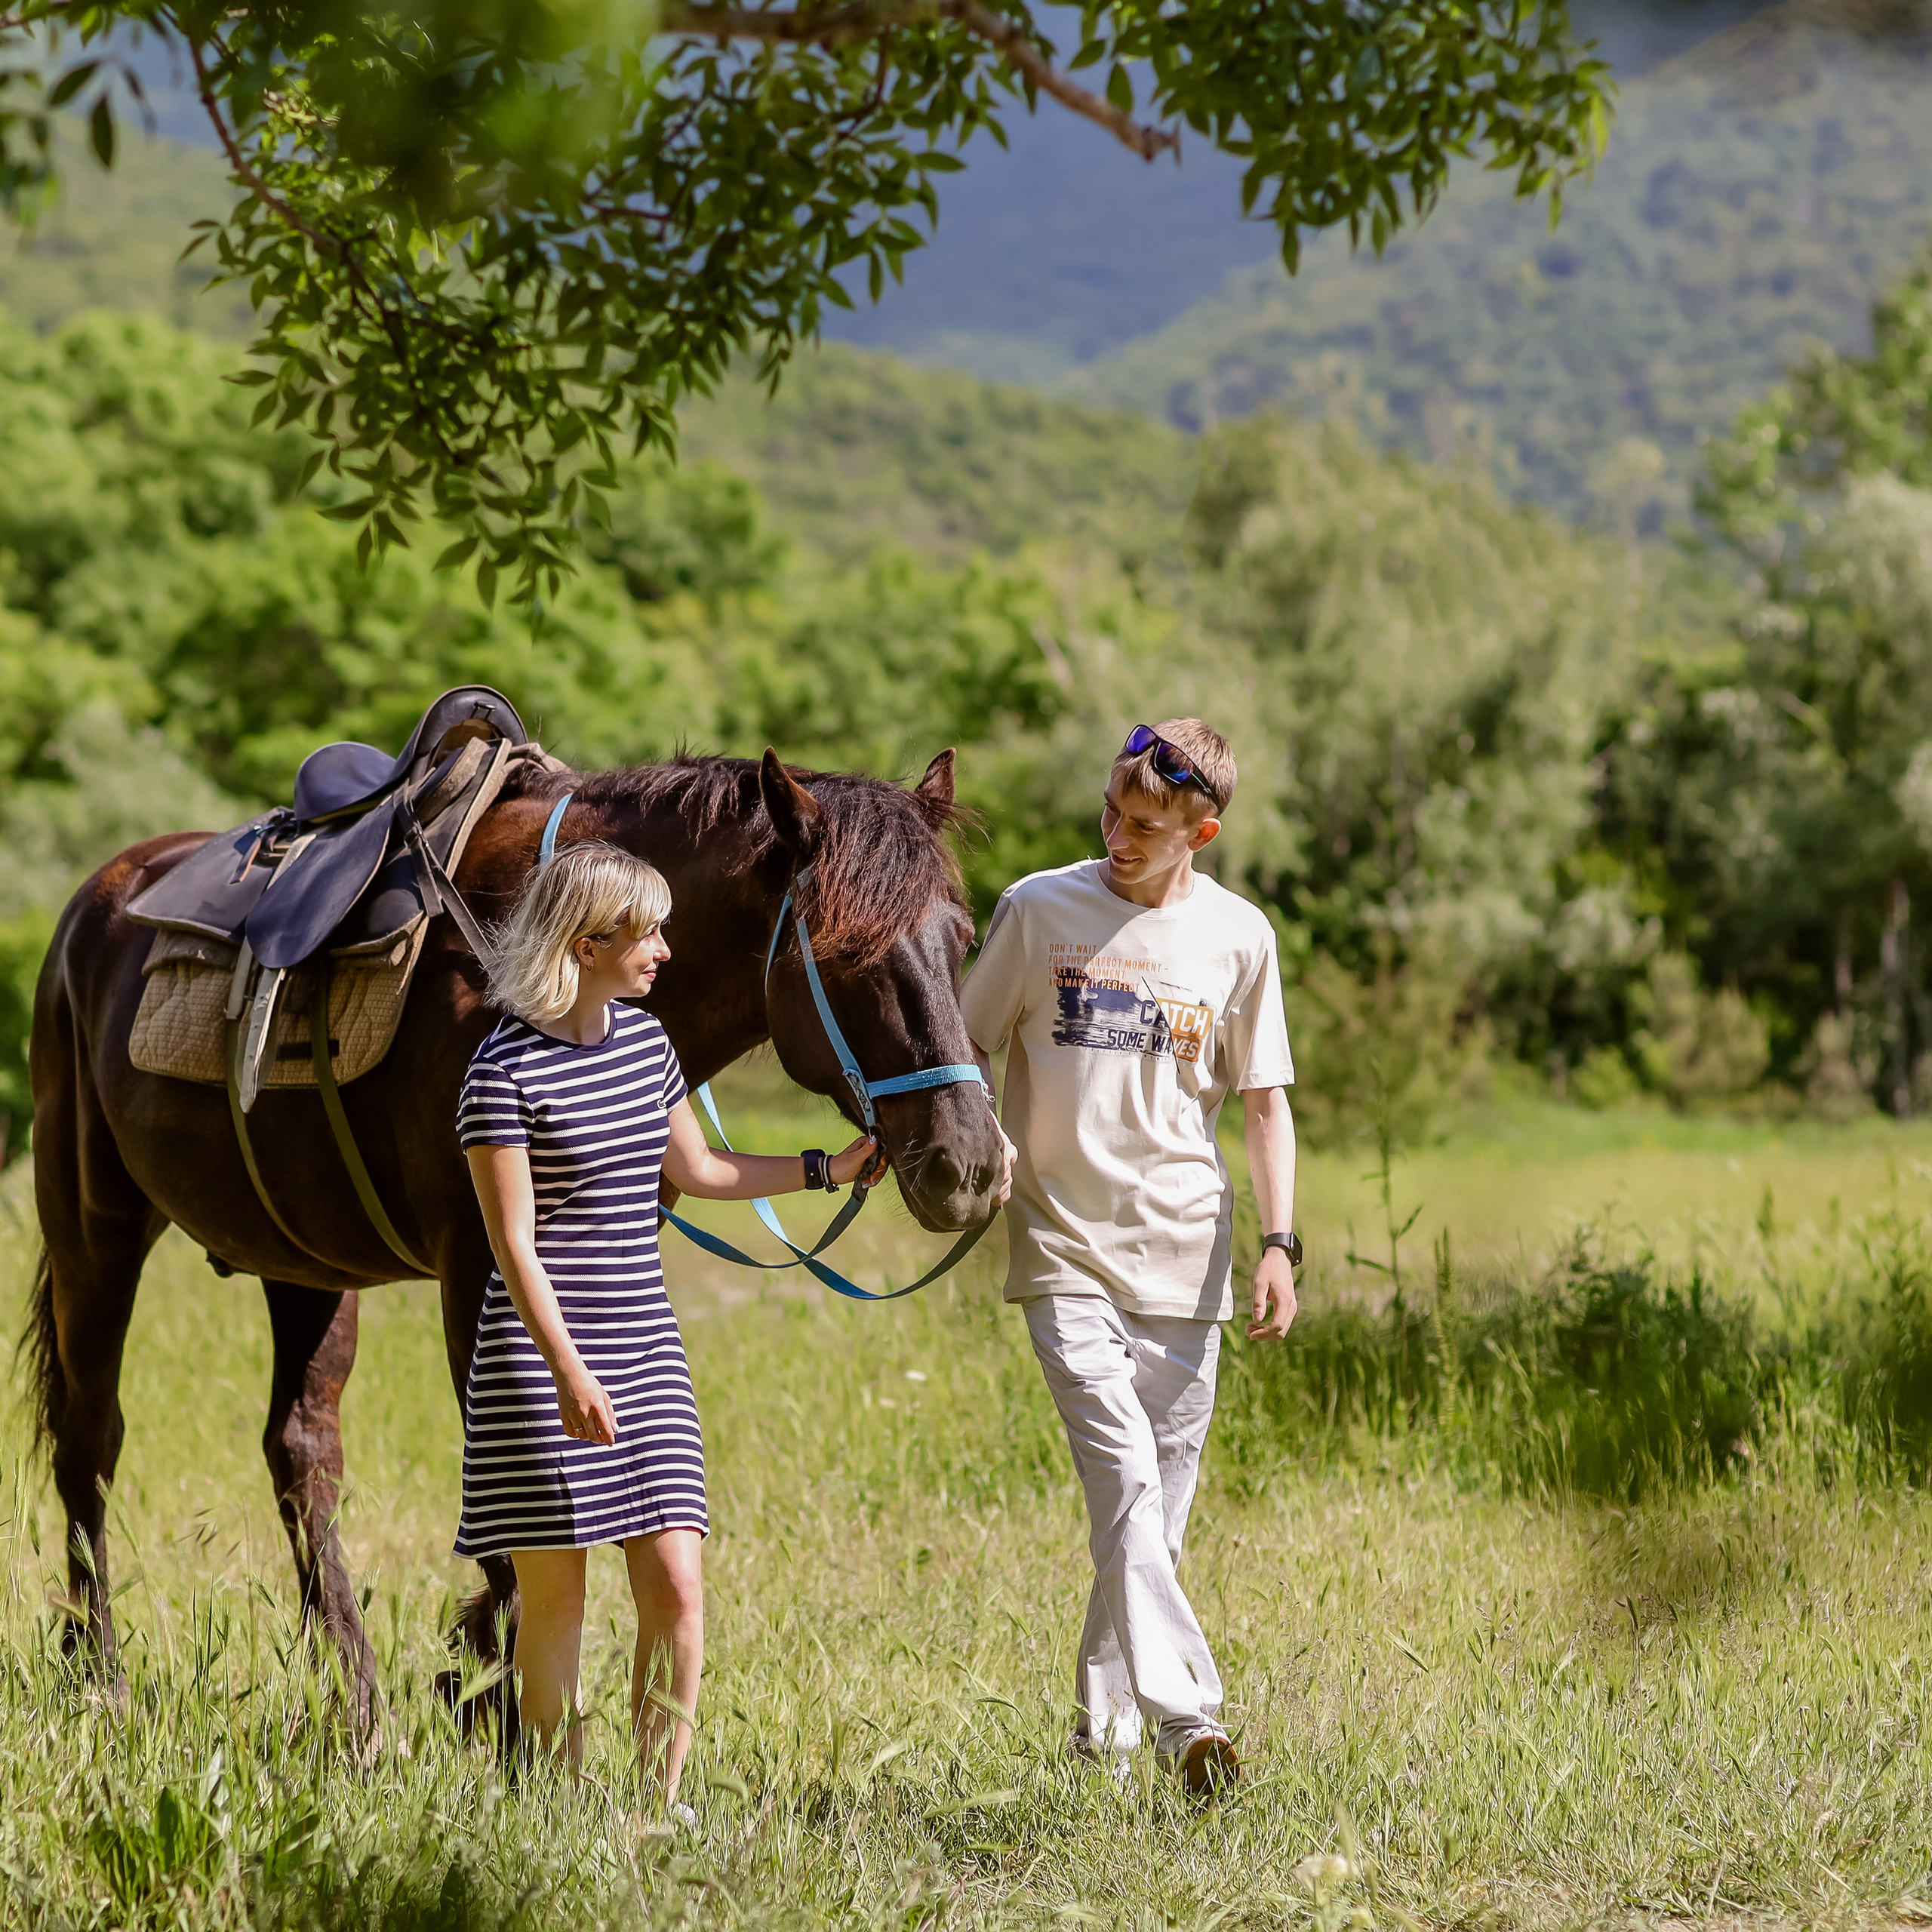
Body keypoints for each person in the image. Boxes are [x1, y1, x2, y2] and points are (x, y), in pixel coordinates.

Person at [456, 840, 878, 1805]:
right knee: (557, 1602)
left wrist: (827, 1167)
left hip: (645, 1346)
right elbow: (512, 1245)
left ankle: (655, 1810)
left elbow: (700, 1171)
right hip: (539, 1356)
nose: (664, 951)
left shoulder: (650, 1045)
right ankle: (560, 1814)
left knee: (678, 1589)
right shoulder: (499, 1071)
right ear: (583, 940)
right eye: (645, 933)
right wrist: (566, 1370)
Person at [959, 720, 1300, 1796]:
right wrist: (989, 1141)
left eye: (1146, 826)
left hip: (1189, 1254)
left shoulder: (1241, 937)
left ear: (1202, 830)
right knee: (1122, 1476)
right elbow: (960, 1048)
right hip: (1063, 1244)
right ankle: (1191, 1719)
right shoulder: (1038, 908)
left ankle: (1101, 1745)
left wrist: (1281, 1244)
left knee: (1153, 1518)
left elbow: (1264, 1102)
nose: (1117, 835)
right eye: (1111, 810)